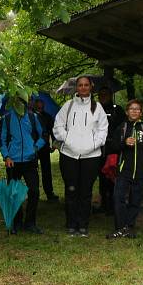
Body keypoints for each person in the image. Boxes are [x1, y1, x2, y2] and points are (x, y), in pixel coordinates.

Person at [53, 76, 109, 237]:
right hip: (69, 154)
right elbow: (57, 126)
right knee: (71, 190)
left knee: (85, 192)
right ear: (76, 88)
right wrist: (69, 139)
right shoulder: (68, 106)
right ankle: (71, 224)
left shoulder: (97, 107)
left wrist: (92, 144)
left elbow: (103, 130)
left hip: (91, 156)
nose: (83, 88)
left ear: (91, 87)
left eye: (86, 85)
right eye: (80, 85)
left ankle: (83, 224)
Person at [105, 99, 143, 239]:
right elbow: (112, 146)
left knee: (135, 200)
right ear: (127, 112)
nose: (134, 111)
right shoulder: (121, 127)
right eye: (131, 108)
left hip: (140, 170)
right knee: (118, 197)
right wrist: (124, 143)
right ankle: (120, 227)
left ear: (141, 113)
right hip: (124, 169)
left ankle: (129, 226)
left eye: (137, 109)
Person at [0, 99, 46, 234]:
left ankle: (30, 223)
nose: (20, 105)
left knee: (34, 191)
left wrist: (35, 148)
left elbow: (43, 134)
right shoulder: (6, 119)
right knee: (14, 193)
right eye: (16, 102)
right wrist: (6, 156)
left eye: (23, 102)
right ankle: (17, 223)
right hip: (12, 161)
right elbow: (1, 140)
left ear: (27, 104)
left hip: (29, 160)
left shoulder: (33, 117)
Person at [96, 86, 126, 215]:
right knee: (101, 177)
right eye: (101, 94)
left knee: (112, 177)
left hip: (112, 149)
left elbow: (122, 127)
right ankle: (104, 203)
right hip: (97, 149)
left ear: (110, 95)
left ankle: (114, 205)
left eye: (106, 94)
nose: (103, 96)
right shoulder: (94, 109)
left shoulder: (117, 110)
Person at [32, 97, 59, 201]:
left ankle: (49, 192)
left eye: (41, 105)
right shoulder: (30, 116)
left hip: (44, 147)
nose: (40, 107)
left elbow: (52, 130)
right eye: (38, 105)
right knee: (33, 171)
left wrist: (54, 143)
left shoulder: (47, 116)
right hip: (33, 147)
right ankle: (34, 193)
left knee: (46, 170)